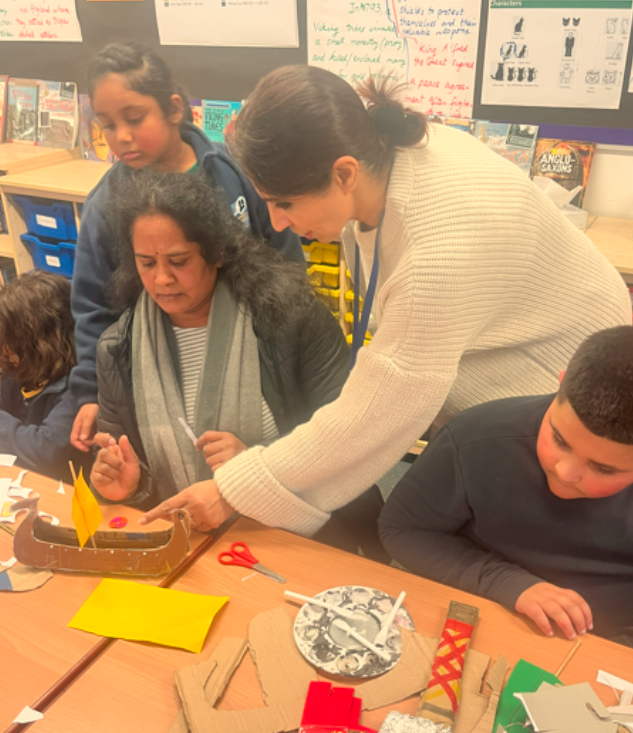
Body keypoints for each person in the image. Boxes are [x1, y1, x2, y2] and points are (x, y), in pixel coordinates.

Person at [140, 65, 630, 538]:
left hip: (569, 401)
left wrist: (233, 489)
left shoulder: (436, 253)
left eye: (284, 202)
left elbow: (379, 414)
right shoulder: (391, 157)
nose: (278, 222)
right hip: (524, 370)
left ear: (344, 173)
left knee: (526, 549)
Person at [70, 41, 303, 454]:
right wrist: (90, 390)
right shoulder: (104, 205)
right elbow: (92, 306)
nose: (122, 136)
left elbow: (286, 259)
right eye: (107, 125)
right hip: (161, 368)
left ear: (174, 108)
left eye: (135, 118)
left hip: (256, 355)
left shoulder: (237, 174)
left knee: (261, 453)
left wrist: (296, 347)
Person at [90, 169, 348, 530]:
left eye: (179, 261)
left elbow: (345, 442)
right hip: (187, 537)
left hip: (294, 533)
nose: (162, 279)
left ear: (217, 253)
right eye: (146, 263)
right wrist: (129, 488)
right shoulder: (118, 350)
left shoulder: (290, 320)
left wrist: (256, 468)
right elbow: (138, 478)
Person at [379, 326, 633, 643]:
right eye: (559, 439)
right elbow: (403, 529)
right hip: (485, 611)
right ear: (560, 383)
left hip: (606, 645)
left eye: (603, 468)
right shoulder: (475, 438)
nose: (565, 472)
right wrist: (504, 581)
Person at [0, 272, 89, 482]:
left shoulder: (79, 388)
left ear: (38, 344)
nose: (5, 349)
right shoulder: (16, 371)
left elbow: (47, 451)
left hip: (62, 489)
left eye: (10, 342)